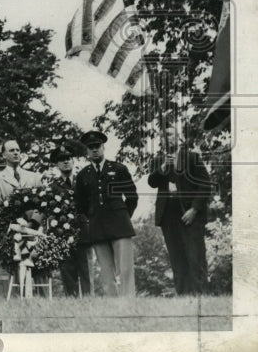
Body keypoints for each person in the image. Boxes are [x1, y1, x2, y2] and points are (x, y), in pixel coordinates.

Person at [147, 122, 211, 295]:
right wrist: (161, 170)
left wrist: (195, 210)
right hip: (169, 216)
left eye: (169, 134)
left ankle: (200, 298)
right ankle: (183, 297)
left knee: (195, 257)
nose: (166, 138)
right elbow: (151, 182)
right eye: (163, 135)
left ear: (178, 137)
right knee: (177, 258)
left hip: (190, 215)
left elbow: (206, 185)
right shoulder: (159, 160)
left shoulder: (192, 158)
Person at [74, 130, 138, 297]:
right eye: (90, 147)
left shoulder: (118, 169)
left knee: (125, 270)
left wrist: (124, 215)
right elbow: (80, 205)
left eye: (97, 146)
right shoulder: (83, 175)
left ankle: (128, 305)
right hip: (98, 227)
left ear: (103, 147)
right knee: (106, 273)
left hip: (120, 226)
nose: (94, 150)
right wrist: (93, 217)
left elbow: (132, 197)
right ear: (86, 151)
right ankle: (112, 306)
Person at [43, 144, 91, 297]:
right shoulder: (52, 187)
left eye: (68, 158)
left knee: (86, 269)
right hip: (62, 234)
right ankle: (72, 300)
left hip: (83, 232)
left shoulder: (84, 181)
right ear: (56, 164)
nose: (66, 162)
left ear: (73, 161)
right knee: (67, 270)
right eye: (61, 160)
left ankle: (90, 299)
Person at [0, 138, 44, 212]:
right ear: (4, 155)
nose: (16, 153)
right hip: (10, 222)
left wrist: (33, 222)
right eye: (11, 150)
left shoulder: (34, 176)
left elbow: (42, 204)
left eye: (17, 150)